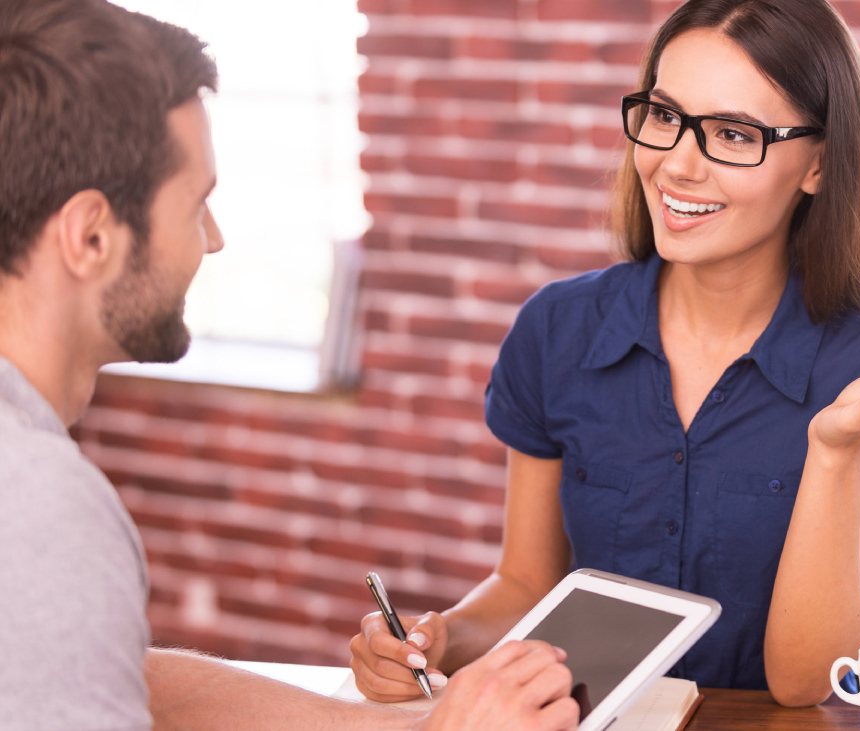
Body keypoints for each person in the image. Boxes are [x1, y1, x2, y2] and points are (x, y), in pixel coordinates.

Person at [351, 0, 860, 709]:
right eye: (663, 116)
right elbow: (528, 586)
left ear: (820, 165)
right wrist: (437, 637)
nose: (676, 164)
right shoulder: (558, 328)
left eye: (734, 134)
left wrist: (833, 449)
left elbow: (806, 678)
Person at [0, 2, 579, 730]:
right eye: (195, 205)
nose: (212, 240)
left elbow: (113, 670)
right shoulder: (40, 503)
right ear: (89, 236)